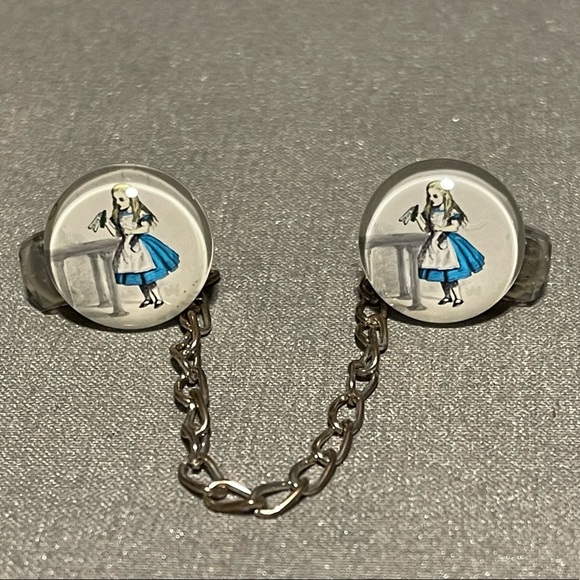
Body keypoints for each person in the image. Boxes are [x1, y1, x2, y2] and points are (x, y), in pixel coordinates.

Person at [97, 183, 180, 308]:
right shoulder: (118, 215)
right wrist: (107, 223)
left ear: (131, 198)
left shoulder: (139, 213)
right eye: (115, 199)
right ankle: (147, 298)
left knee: (148, 276)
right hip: (126, 248)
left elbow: (145, 228)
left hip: (140, 246)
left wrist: (131, 231)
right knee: (138, 277)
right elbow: (117, 233)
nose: (118, 202)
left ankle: (158, 299)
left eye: (121, 199)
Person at [404, 178, 484, 307]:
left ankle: (458, 298)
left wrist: (441, 228)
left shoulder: (450, 211)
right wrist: (417, 218)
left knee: (451, 274)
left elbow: (455, 227)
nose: (431, 199)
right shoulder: (430, 211)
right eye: (429, 196)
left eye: (435, 196)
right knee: (440, 274)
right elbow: (426, 229)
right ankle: (447, 296)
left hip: (447, 243)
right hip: (433, 244)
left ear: (444, 195)